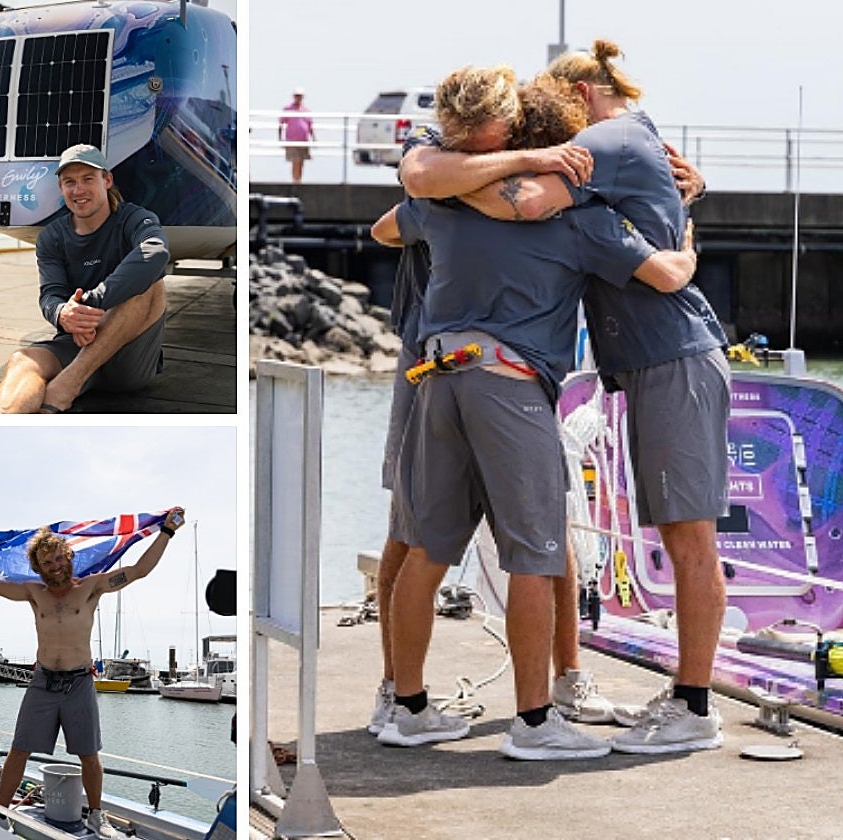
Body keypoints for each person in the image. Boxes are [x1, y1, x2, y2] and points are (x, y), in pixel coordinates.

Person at [408, 41, 726, 755]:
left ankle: (696, 707)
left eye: (542, 130)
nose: (548, 145)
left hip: (672, 359)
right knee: (671, 535)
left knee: (689, 538)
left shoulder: (604, 138)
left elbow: (520, 204)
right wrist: (686, 210)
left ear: (579, 97)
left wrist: (485, 171)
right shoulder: (624, 152)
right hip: (645, 364)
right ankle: (671, 696)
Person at [367, 66, 611, 737]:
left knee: (422, 546)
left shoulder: (438, 199)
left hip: (438, 370)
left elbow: (386, 228)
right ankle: (536, 722)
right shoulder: (572, 211)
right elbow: (655, 266)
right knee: (535, 550)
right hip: (508, 385)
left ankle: (405, 707)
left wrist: (463, 196)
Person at [0, 508, 186, 839]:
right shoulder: (35, 592)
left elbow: (140, 570)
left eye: (59, 558)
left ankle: (96, 815)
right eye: (47, 562)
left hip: (79, 682)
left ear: (68, 556)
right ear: (38, 567)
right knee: (19, 750)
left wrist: (167, 532)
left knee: (89, 754)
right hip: (43, 682)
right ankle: (0, 813)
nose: (55, 566)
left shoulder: (91, 587)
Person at [0, 144, 168, 414]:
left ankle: (64, 389)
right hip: (77, 343)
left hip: (127, 356)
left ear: (107, 180)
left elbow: (155, 251)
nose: (78, 189)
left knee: (151, 283)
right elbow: (51, 294)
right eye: (69, 182)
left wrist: (91, 304)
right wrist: (64, 314)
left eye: (87, 179)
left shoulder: (133, 218)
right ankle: (3, 414)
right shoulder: (52, 237)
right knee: (24, 359)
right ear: (61, 189)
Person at [278, 88, 316, 183]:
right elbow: (281, 124)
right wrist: (280, 138)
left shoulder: (306, 111)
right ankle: (295, 181)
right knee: (295, 161)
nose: (298, 98)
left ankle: (299, 180)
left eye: (300, 96)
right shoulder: (288, 109)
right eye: (296, 96)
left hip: (304, 140)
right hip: (292, 139)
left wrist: (314, 138)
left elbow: (310, 126)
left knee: (301, 162)